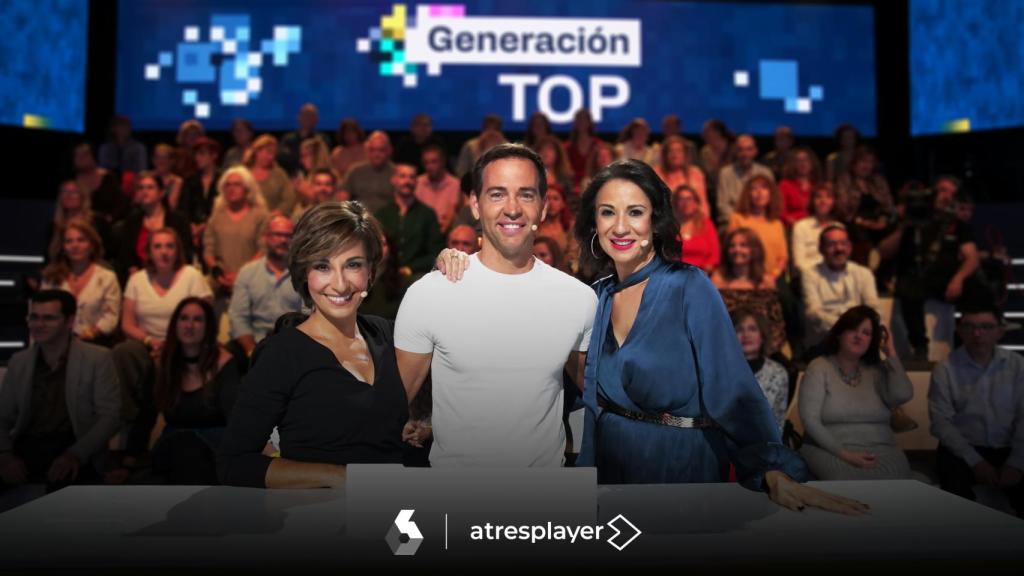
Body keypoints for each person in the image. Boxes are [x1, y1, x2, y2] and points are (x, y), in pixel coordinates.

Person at [570, 159, 864, 513]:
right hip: (612, 476)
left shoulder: (690, 286)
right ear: (594, 224)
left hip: (679, 472)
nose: (620, 226)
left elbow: (734, 389)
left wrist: (771, 469)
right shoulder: (596, 295)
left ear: (656, 221)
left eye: (635, 212)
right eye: (607, 213)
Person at [396, 144, 597, 467]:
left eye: (527, 195)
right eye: (497, 194)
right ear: (475, 205)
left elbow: (603, 396)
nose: (513, 208)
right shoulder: (430, 294)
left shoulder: (578, 299)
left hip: (545, 506)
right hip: (455, 502)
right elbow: (391, 407)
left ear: (543, 207)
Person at [218, 202, 408, 488]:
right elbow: (234, 463)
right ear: (304, 274)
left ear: (370, 270)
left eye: (353, 265)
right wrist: (337, 476)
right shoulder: (281, 353)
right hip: (320, 518)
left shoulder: (387, 334)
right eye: (323, 266)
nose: (340, 284)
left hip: (397, 514)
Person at [0, 290, 121, 495]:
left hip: (76, 445)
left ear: (69, 321)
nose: (39, 324)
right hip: (27, 444)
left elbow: (110, 416)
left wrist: (75, 454)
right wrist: (4, 455)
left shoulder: (97, 358)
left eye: (48, 318)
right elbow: (2, 417)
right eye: (34, 317)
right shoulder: (19, 361)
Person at [120, 298, 241, 485]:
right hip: (172, 445)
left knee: (190, 454)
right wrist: (127, 462)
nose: (189, 325)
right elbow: (146, 415)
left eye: (198, 319)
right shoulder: (162, 363)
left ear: (208, 327)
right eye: (183, 318)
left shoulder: (224, 363)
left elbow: (234, 418)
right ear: (175, 324)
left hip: (213, 446)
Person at [929, 303, 1023, 516]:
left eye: (986, 327)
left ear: (1000, 330)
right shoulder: (945, 368)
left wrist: (1017, 464)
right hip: (963, 450)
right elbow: (941, 422)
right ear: (960, 330)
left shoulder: (1018, 366)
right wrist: (976, 462)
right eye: (969, 326)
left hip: (1009, 447)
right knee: (956, 499)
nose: (977, 333)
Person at [799, 305, 913, 480]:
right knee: (848, 483)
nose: (859, 336)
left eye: (866, 333)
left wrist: (891, 353)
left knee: (898, 481)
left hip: (882, 450)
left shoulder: (878, 370)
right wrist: (845, 454)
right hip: (830, 449)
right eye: (853, 329)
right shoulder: (819, 367)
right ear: (839, 333)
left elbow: (903, 395)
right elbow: (810, 421)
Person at [228, 216, 303, 357]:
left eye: (288, 236)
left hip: (294, 347)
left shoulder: (304, 274)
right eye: (277, 235)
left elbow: (309, 316)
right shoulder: (248, 272)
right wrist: (252, 352)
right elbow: (238, 317)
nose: (283, 240)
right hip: (255, 345)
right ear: (266, 238)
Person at [40, 220, 121, 344]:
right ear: (62, 247)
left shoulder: (107, 277)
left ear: (91, 245)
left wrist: (89, 335)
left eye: (81, 240)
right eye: (69, 241)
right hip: (55, 343)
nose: (75, 245)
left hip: (95, 343)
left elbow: (111, 317)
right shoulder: (51, 278)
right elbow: (40, 314)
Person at [801, 224, 880, 349]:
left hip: (858, 343)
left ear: (850, 247)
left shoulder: (863, 273)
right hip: (825, 342)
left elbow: (872, 308)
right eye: (832, 244)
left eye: (843, 243)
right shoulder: (810, 275)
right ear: (821, 249)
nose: (839, 249)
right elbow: (813, 312)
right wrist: (847, 328)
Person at [711, 228, 787, 355]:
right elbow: (711, 324)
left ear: (754, 250)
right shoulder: (717, 281)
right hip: (724, 351)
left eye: (743, 245)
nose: (737, 250)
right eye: (732, 246)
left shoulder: (766, 282)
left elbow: (776, 325)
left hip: (761, 351)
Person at [114, 171, 192, 286]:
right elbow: (126, 255)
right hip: (141, 277)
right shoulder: (132, 221)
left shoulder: (178, 220)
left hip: (174, 275)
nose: (145, 191)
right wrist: (132, 268)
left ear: (161, 193)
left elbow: (186, 251)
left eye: (150, 187)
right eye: (141, 188)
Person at [202, 166, 269, 298]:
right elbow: (208, 249)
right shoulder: (216, 217)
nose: (231, 188)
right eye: (228, 185)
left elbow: (263, 249)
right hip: (220, 282)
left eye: (237, 184)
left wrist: (240, 274)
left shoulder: (260, 216)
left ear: (247, 188)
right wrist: (219, 273)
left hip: (252, 281)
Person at [373, 163, 445, 284]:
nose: (408, 181)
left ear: (416, 181)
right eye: (403, 176)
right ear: (393, 180)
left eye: (412, 177)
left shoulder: (427, 214)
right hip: (386, 275)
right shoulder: (381, 214)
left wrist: (410, 268)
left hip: (417, 275)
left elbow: (436, 252)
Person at [732, 307, 789, 430]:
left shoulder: (778, 373)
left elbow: (778, 421)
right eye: (739, 329)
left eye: (752, 329)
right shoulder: (719, 371)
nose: (746, 335)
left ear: (762, 336)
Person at [727, 175, 788, 282]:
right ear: (748, 195)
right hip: (744, 278)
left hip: (772, 278)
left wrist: (773, 275)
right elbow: (731, 252)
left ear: (771, 193)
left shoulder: (777, 223)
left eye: (764, 188)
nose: (759, 192)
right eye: (754, 188)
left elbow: (782, 257)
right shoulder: (738, 219)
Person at [716, 134, 774, 226]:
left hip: (761, 221)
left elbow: (772, 201)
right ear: (735, 152)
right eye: (740, 150)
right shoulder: (725, 173)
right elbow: (723, 205)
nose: (745, 154)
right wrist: (740, 221)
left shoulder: (765, 173)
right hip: (734, 222)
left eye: (749, 149)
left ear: (755, 151)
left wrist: (756, 221)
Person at [178, 136, 222, 251]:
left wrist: (204, 226)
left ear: (214, 156)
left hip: (216, 231)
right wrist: (192, 227)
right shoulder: (189, 180)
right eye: (196, 154)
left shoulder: (223, 180)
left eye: (202, 154)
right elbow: (183, 208)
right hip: (191, 232)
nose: (197, 158)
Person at [343, 131, 396, 213]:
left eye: (381, 150)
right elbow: (343, 197)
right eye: (372, 150)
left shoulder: (396, 172)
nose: (376, 154)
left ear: (389, 150)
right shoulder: (355, 171)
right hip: (359, 219)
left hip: (387, 220)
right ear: (367, 150)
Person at [72, 142, 125, 224]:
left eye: (85, 154)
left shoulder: (108, 178)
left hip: (104, 226)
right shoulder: (71, 180)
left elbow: (119, 206)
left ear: (94, 156)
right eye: (77, 155)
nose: (80, 158)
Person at [791, 184, 839, 272]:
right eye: (818, 197)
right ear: (812, 201)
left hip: (834, 276)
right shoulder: (801, 227)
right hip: (808, 276)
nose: (823, 201)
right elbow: (799, 263)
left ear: (834, 201)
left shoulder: (838, 228)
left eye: (828, 197)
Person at [673, 184, 719, 274]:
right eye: (681, 199)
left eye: (689, 199)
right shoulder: (669, 226)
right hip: (675, 274)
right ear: (675, 203)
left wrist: (704, 273)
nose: (685, 203)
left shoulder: (706, 224)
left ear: (696, 203)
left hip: (702, 274)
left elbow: (714, 255)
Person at [414, 144, 461, 233]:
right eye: (426, 163)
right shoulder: (418, 182)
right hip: (421, 231)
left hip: (445, 232)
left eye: (434, 162)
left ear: (443, 162)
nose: (430, 166)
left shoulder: (455, 184)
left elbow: (451, 215)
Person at [244, 135, 295, 216]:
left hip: (273, 219)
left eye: (274, 153)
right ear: (257, 151)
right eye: (269, 152)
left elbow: (289, 199)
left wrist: (274, 214)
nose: (271, 157)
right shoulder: (244, 173)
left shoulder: (279, 174)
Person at [278, 103, 331, 176]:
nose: (307, 118)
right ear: (298, 117)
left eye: (311, 116)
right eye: (305, 115)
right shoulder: (288, 140)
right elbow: (283, 161)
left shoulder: (322, 140)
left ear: (316, 119)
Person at [656, 135, 707, 211]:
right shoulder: (656, 173)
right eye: (671, 151)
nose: (675, 154)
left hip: (692, 219)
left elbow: (703, 203)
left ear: (685, 154)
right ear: (665, 155)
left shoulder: (695, 173)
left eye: (678, 151)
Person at [778, 146, 823, 228]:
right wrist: (795, 224)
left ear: (812, 163)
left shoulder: (818, 185)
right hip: (792, 226)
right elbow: (780, 212)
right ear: (793, 164)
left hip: (816, 226)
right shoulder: (785, 185)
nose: (803, 163)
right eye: (798, 161)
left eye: (806, 160)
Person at [564, 109, 603, 189]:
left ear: (589, 123)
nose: (581, 122)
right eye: (579, 120)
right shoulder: (567, 147)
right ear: (575, 123)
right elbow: (565, 168)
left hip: (594, 183)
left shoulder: (598, 145)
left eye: (584, 119)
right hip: (573, 186)